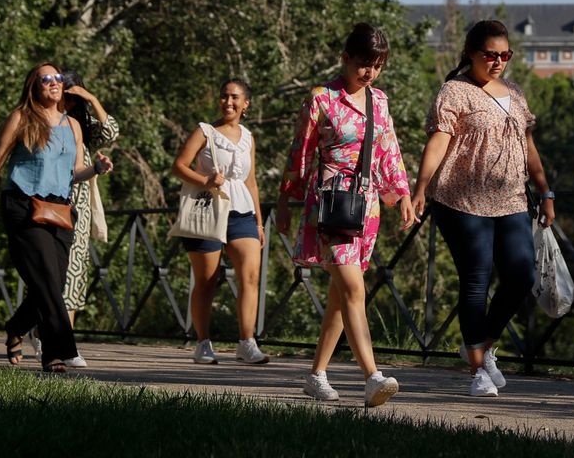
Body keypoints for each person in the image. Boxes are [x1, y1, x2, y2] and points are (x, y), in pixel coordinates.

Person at [411, 19, 556, 397]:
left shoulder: (516, 93)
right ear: (470, 54)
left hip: (510, 198)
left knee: (522, 275)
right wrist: (421, 186)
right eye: (489, 55)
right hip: (461, 199)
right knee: (476, 279)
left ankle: (482, 344)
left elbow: (528, 147)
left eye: (504, 55)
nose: (497, 62)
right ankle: (477, 370)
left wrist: (545, 191)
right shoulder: (454, 92)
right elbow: (439, 141)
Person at [276, 23, 416, 408]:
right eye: (363, 64)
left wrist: (401, 193)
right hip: (330, 203)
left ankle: (316, 375)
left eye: (377, 65)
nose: (369, 72)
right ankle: (372, 377)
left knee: (341, 295)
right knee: (354, 289)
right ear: (346, 58)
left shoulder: (379, 101)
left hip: (365, 207)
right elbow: (300, 153)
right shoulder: (322, 98)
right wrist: (287, 198)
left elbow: (389, 149)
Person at [0, 62, 114, 373]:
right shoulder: (22, 118)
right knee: (48, 281)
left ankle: (16, 326)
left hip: (61, 211)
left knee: (53, 282)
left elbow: (75, 171)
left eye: (58, 78)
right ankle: (60, 351)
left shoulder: (73, 126)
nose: (54, 83)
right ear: (34, 87)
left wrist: (97, 168)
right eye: (45, 79)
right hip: (24, 207)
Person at [172, 78, 269, 365]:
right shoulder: (205, 132)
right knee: (207, 281)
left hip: (242, 212)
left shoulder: (248, 137)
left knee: (250, 276)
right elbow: (178, 166)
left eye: (235, 97)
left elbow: (251, 181)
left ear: (245, 103)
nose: (228, 102)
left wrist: (259, 222)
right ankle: (203, 343)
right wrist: (205, 179)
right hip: (207, 210)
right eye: (224, 96)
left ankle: (247, 343)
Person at [58, 70, 119, 368]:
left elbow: (111, 132)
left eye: (72, 96)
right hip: (48, 203)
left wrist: (91, 98)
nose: (68, 101)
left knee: (73, 273)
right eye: (64, 95)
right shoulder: (44, 122)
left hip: (78, 208)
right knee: (49, 271)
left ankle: (65, 343)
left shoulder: (84, 126)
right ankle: (40, 331)